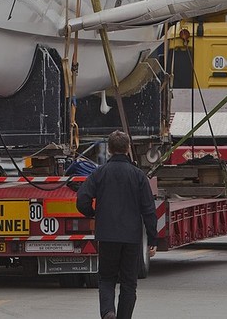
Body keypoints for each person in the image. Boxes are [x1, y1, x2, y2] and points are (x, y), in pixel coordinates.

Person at [76, 130, 158, 319]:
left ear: (110, 149)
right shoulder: (138, 176)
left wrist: (93, 213)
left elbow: (82, 199)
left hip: (107, 235)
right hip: (131, 238)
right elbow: (148, 209)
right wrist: (153, 238)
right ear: (128, 148)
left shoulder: (99, 173)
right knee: (129, 283)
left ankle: (108, 312)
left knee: (106, 278)